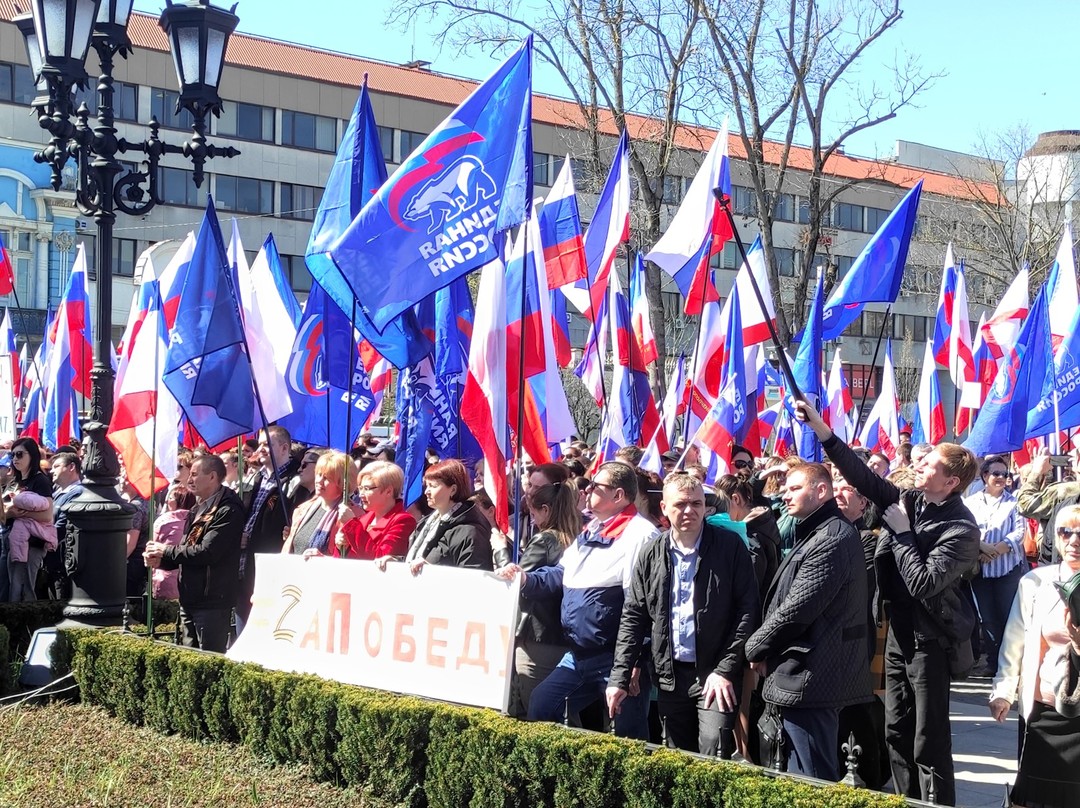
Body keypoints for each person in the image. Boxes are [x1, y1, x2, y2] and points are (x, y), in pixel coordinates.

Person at [797, 399, 980, 805]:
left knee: (928, 738)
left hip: (932, 640)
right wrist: (822, 430)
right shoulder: (910, 501)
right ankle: (903, 800)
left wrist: (900, 534)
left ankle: (936, 802)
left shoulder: (962, 527)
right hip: (897, 631)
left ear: (951, 482)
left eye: (929, 462)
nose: (919, 464)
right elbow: (861, 475)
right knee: (895, 728)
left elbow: (923, 583)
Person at [496, 461, 659, 739]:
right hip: (579, 654)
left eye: (596, 486)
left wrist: (634, 661)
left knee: (627, 734)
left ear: (618, 496)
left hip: (615, 658)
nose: (588, 489)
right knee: (542, 704)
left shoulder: (641, 535)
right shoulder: (593, 527)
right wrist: (525, 578)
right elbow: (560, 573)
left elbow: (643, 605)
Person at [607, 473, 758, 757]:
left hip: (714, 674)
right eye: (681, 505)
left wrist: (725, 669)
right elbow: (634, 616)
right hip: (670, 674)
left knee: (713, 747)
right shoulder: (651, 552)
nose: (690, 511)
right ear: (664, 507)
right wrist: (620, 676)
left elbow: (747, 611)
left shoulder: (729, 547)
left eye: (697, 504)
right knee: (678, 754)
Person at [744, 462, 871, 780]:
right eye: (785, 489)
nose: (785, 496)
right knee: (799, 773)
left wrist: (754, 648)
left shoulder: (831, 538)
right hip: (805, 667)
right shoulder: (816, 530)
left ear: (822, 490)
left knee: (811, 778)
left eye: (794, 488)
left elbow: (797, 609)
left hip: (814, 672)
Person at [989, 503, 1080, 808]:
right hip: (1043, 711)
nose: (1074, 540)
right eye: (1065, 532)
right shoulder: (1035, 582)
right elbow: (1015, 640)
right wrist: (1003, 690)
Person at [144, 454, 244, 652]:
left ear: (213, 477)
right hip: (189, 596)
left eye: (195, 475)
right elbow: (186, 549)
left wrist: (166, 550)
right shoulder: (196, 509)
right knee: (188, 655)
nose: (189, 480)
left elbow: (207, 552)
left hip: (212, 600)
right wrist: (161, 560)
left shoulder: (228, 509)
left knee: (208, 659)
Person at [504, 473, 579, 717]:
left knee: (538, 710)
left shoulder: (544, 540)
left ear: (545, 510)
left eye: (534, 514)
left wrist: (499, 550)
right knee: (564, 709)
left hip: (538, 637)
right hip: (564, 634)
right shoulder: (577, 539)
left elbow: (517, 579)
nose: (533, 520)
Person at [965, 454, 1027, 677]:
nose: (1001, 478)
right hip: (980, 570)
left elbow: (1019, 532)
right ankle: (993, 662)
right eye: (996, 474)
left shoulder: (1014, 502)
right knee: (988, 619)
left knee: (1008, 616)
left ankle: (1010, 665)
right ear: (984, 475)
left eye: (1004, 474)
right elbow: (966, 530)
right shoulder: (970, 503)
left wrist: (996, 549)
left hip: (1007, 570)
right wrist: (982, 548)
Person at [237, 425, 301, 628]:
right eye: (260, 444)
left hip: (270, 562)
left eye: (267, 444)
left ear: (283, 448)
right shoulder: (254, 477)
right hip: (244, 562)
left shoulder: (296, 481)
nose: (261, 448)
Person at [395, 459, 501, 573]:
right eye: (427, 486)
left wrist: (432, 571)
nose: (427, 492)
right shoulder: (425, 523)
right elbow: (416, 559)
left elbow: (473, 578)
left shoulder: (470, 531)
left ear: (453, 490)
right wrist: (395, 561)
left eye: (433, 486)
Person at [3, 438, 54, 601]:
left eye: (19, 454)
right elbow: (4, 514)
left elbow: (47, 515)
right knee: (12, 588)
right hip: (10, 539)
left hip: (32, 543)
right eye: (12, 455)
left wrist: (19, 513)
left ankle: (28, 625)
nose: (15, 459)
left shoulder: (40, 480)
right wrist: (10, 513)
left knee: (25, 589)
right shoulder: (14, 482)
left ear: (32, 455)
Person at [333, 461, 416, 560]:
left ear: (388, 491)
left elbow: (381, 559)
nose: (361, 495)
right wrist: (341, 548)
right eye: (360, 488)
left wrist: (351, 524)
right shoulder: (364, 519)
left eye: (367, 489)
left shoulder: (403, 521)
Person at [1017, 449, 1080, 565]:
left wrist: (1037, 472)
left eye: (1074, 456)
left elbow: (1024, 504)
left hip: (1064, 562)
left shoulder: (1065, 490)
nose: (1069, 459)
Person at [283, 451, 352, 557]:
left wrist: (324, 559)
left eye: (326, 478)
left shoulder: (351, 515)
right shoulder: (303, 509)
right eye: (319, 475)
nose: (319, 481)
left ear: (342, 483)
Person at [46, 451, 83, 599]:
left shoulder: (78, 492)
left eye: (56, 466)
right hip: (51, 562)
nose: (51, 470)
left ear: (71, 467)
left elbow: (62, 527)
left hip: (64, 564)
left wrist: (36, 537)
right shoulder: (56, 494)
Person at [150, 486, 196, 600]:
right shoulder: (198, 520)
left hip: (164, 577)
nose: (166, 501)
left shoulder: (163, 521)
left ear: (179, 501)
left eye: (170, 497)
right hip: (190, 580)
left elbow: (152, 547)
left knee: (165, 614)